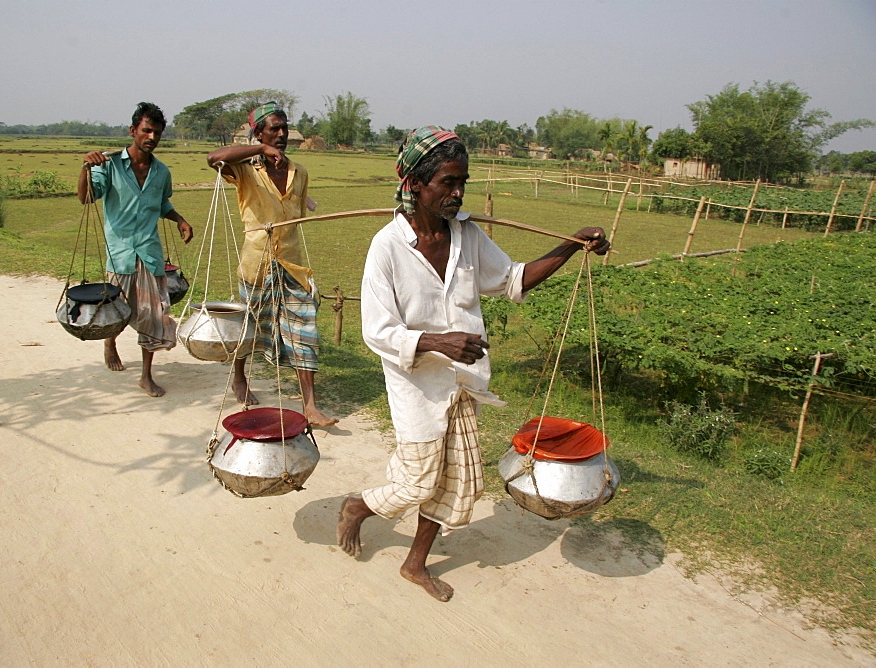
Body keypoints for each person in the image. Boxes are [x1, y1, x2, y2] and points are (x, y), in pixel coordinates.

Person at [336, 126, 610, 601]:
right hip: (417, 388)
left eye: (462, 181)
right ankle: (358, 506)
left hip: (464, 383)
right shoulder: (387, 247)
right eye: (448, 182)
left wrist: (570, 243)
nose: (458, 192)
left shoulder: (467, 236)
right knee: (418, 480)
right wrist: (437, 342)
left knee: (457, 478)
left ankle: (414, 563)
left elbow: (514, 280)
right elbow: (376, 331)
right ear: (417, 184)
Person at [206, 102, 337, 427]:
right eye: (273, 129)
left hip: (292, 267)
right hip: (256, 265)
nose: (281, 134)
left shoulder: (299, 173)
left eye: (283, 128)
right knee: (248, 328)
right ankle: (239, 377)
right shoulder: (247, 170)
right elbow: (213, 159)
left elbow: (297, 216)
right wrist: (259, 150)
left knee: (305, 332)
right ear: (259, 133)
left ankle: (310, 406)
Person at [77, 101, 193, 397]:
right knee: (117, 311)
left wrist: (179, 219)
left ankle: (146, 375)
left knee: (153, 315)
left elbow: (162, 203)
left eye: (156, 133)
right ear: (133, 131)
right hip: (120, 253)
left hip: (150, 252)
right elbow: (86, 197)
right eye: (146, 131)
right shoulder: (110, 165)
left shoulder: (161, 172)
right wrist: (86, 167)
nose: (151, 137)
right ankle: (110, 342)